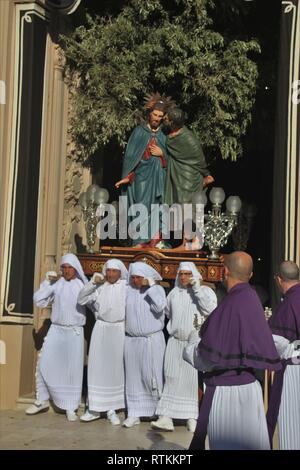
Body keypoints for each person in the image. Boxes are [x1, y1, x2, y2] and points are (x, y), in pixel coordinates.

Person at [183, 251, 281, 450]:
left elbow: (206, 359)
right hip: (251, 391)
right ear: (250, 275)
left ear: (224, 271)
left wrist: (189, 349)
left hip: (226, 395)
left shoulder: (228, 306)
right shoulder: (253, 299)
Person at [151, 262, 217, 433]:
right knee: (171, 376)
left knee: (190, 381)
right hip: (174, 341)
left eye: (187, 274)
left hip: (193, 342)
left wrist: (196, 290)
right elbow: (167, 313)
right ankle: (166, 417)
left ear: (194, 274)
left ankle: (191, 417)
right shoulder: (173, 293)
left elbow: (211, 310)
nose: (183, 277)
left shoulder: (205, 292)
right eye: (181, 274)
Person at [26, 253, 88, 422]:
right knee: (44, 362)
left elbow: (92, 301)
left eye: (70, 268)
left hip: (74, 331)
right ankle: (42, 400)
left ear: (75, 269)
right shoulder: (57, 284)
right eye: (64, 267)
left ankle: (71, 407)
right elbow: (38, 300)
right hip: (56, 329)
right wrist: (47, 283)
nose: (66, 271)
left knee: (72, 371)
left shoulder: (81, 284)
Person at [115, 93, 170, 248]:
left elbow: (173, 161)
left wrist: (162, 154)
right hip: (140, 180)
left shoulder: (165, 136)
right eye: (155, 114)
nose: (157, 118)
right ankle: (139, 242)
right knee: (141, 208)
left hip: (159, 179)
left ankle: (156, 242)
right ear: (149, 113)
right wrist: (128, 176)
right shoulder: (138, 132)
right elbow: (131, 160)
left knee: (157, 208)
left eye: (160, 116)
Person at [77, 259, 128, 425]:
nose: (111, 274)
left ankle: (112, 409)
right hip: (101, 329)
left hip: (119, 330)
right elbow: (81, 299)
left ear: (120, 272)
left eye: (114, 271)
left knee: (115, 369)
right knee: (97, 367)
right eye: (109, 271)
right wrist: (92, 282)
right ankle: (94, 408)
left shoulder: (127, 288)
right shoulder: (99, 287)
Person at [123, 261, 167, 427]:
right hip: (132, 341)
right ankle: (134, 412)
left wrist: (152, 287)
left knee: (153, 376)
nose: (135, 281)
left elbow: (159, 307)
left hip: (151, 340)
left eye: (139, 277)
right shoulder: (128, 291)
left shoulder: (157, 290)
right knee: (133, 377)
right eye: (133, 277)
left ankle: (157, 412)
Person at [267, 261, 300, 450]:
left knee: (291, 420)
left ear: (279, 280)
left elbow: (277, 342)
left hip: (294, 369)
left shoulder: (288, 303)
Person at [163, 107, 214, 205]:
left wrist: (207, 175)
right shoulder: (168, 132)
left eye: (166, 118)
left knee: (183, 202)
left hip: (187, 175)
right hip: (176, 171)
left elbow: (199, 159)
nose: (164, 118)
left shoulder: (189, 138)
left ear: (172, 122)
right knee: (176, 204)